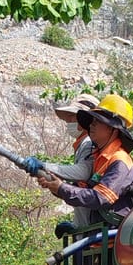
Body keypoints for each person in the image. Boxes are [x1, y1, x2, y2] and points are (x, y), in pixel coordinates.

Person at [36, 93, 133, 227]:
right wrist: (55, 186)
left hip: (115, 238)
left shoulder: (119, 160)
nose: (92, 125)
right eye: (92, 121)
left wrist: (62, 188)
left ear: (113, 129)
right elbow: (83, 192)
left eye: (98, 122)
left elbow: (101, 198)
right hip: (98, 235)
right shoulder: (99, 158)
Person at [23, 94, 100, 235]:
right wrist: (55, 186)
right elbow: (79, 189)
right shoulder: (82, 145)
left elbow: (83, 172)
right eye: (69, 117)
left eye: (73, 117)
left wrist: (44, 166)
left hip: (92, 232)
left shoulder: (89, 143)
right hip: (85, 229)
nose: (69, 121)